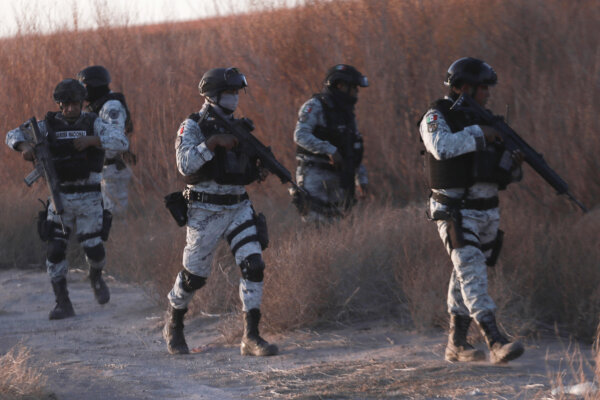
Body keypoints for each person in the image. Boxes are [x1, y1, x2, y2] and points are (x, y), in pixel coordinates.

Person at [163, 67, 278, 357]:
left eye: (237, 93)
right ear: (213, 95)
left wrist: (259, 169)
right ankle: (174, 322)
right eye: (229, 93)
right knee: (195, 277)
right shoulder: (192, 126)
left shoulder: (241, 128)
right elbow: (185, 165)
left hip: (238, 206)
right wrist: (212, 143)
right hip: (205, 210)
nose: (234, 98)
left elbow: (246, 170)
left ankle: (251, 336)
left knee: (253, 264)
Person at [419, 57, 525, 363]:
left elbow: (501, 173)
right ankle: (495, 340)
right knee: (473, 272)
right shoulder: (437, 115)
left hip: (487, 211)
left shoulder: (489, 122)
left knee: (466, 272)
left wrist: (511, 164)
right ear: (464, 88)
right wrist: (481, 133)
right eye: (483, 88)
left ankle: (457, 343)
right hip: (455, 210)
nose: (488, 94)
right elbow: (440, 147)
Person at [5, 79, 128, 319]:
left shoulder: (94, 123)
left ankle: (96, 277)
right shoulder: (47, 126)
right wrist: (24, 148)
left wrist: (93, 140)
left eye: (75, 104)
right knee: (55, 250)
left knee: (93, 249)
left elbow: (122, 141)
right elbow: (12, 134)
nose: (71, 109)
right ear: (59, 105)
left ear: (82, 103)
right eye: (66, 104)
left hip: (89, 196)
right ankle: (62, 302)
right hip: (59, 196)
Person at [291, 64, 369, 223]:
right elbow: (300, 135)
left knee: (338, 228)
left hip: (339, 178)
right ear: (340, 86)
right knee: (315, 225)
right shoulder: (315, 106)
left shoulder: (347, 114)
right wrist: (329, 149)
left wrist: (361, 179)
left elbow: (352, 149)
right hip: (313, 174)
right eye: (353, 87)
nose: (356, 92)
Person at [77, 65, 134, 216]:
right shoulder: (97, 105)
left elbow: (116, 142)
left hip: (112, 169)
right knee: (102, 216)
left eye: (85, 86)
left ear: (94, 85)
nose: (83, 91)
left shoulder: (110, 106)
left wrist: (91, 141)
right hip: (103, 169)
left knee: (113, 216)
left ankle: (122, 239)